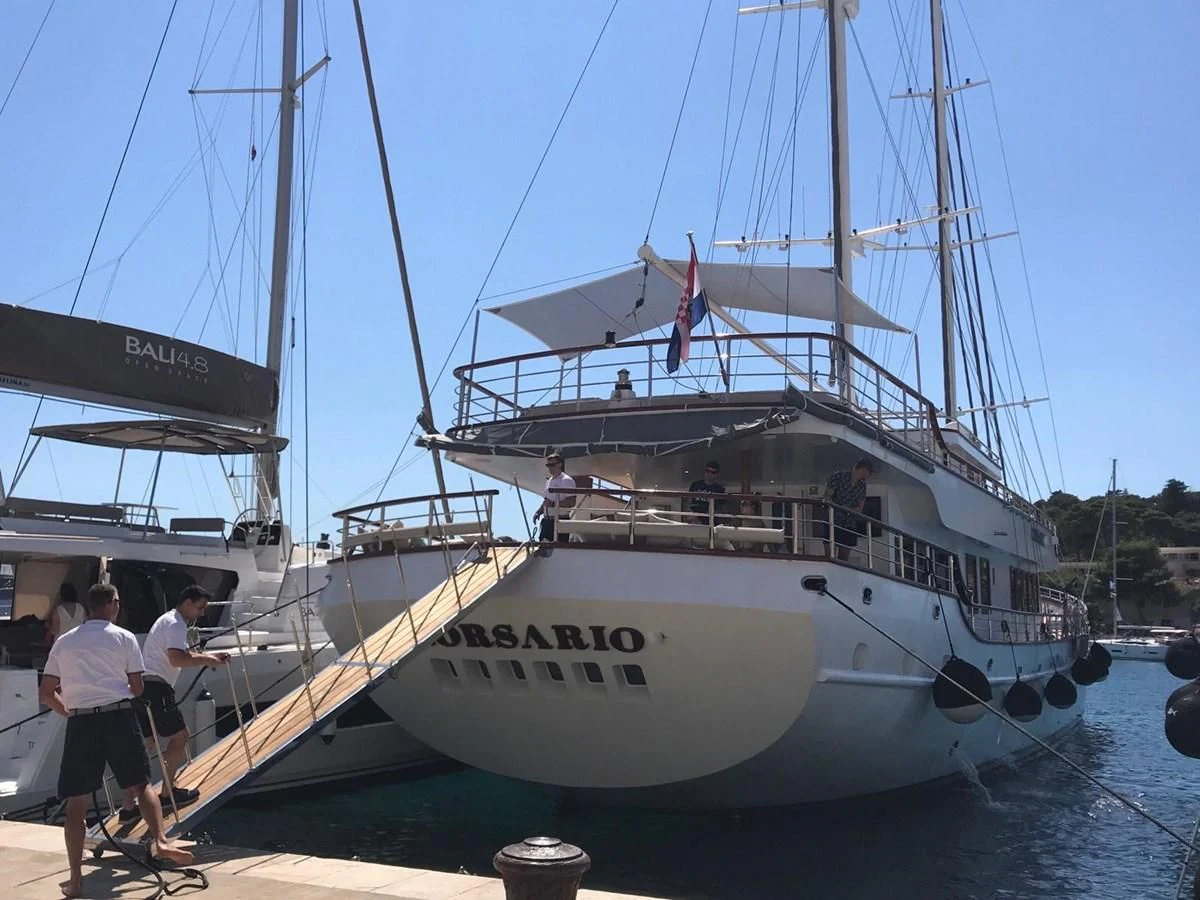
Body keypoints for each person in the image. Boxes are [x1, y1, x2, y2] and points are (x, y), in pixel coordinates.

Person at [39, 583, 192, 898]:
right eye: (118, 602)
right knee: (141, 784)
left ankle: (76, 880)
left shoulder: (65, 642)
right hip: (119, 716)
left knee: (77, 802)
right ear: (111, 604)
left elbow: (46, 692)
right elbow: (137, 687)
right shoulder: (124, 637)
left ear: (91, 605)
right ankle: (161, 841)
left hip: (82, 721)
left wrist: (69, 712)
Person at [119, 584, 230, 822]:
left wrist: (208, 657)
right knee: (180, 737)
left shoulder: (166, 620)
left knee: (144, 745)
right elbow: (177, 658)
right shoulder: (176, 623)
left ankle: (128, 807)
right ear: (187, 602)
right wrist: (209, 660)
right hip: (157, 688)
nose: (201, 613)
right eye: (200, 607)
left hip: (142, 687)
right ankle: (168, 793)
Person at [822, 458, 874, 561]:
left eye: (867, 473)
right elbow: (827, 497)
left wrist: (849, 510)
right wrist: (839, 508)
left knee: (844, 557)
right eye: (864, 471)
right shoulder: (838, 476)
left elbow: (860, 508)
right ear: (857, 468)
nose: (864, 476)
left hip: (849, 523)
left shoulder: (862, 486)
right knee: (830, 555)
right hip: (832, 520)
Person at [532, 453, 575, 543]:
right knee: (543, 544)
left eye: (552, 465)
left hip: (560, 520)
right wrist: (538, 512)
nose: (550, 468)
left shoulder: (567, 480)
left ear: (560, 464)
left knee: (559, 546)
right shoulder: (549, 481)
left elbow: (572, 501)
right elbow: (546, 500)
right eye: (548, 465)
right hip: (547, 521)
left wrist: (553, 504)